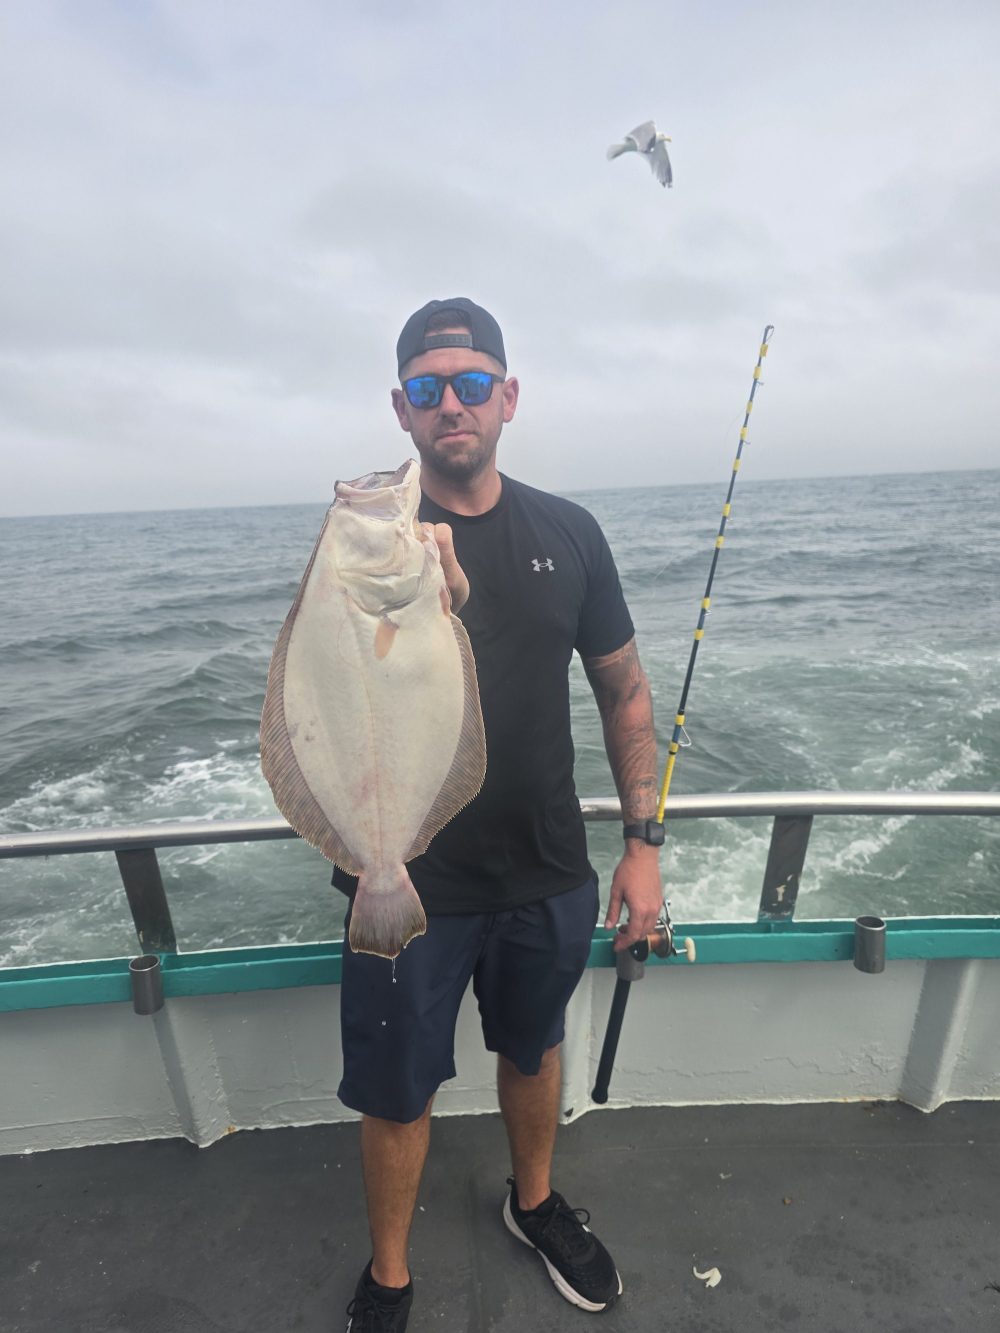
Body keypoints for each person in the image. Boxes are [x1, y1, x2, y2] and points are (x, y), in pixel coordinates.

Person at [336, 298, 664, 1331]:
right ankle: (389, 1272)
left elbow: (625, 691)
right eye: (428, 387)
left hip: (544, 865)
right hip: (406, 876)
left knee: (532, 1048)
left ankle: (532, 1205)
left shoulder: (570, 532)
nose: (451, 403)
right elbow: (322, 696)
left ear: (507, 398)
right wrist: (415, 598)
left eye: (471, 383)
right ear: (401, 408)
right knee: (396, 1086)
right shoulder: (361, 545)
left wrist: (642, 844)